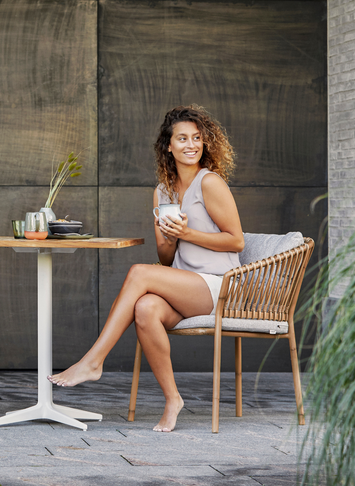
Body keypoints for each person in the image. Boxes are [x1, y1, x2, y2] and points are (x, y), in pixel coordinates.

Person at [48, 105, 244, 432]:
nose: (191, 145)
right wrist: (168, 238)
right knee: (145, 307)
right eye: (182, 139)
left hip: (219, 286)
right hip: (186, 286)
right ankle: (173, 400)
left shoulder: (210, 183)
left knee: (140, 273)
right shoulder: (163, 191)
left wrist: (188, 233)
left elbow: (236, 241)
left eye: (197, 138)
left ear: (206, 142)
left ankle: (93, 361)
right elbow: (167, 261)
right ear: (168, 145)